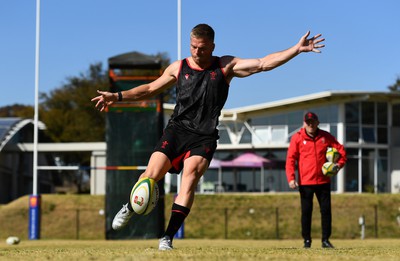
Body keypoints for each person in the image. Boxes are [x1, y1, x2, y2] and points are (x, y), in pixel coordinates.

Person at [92, 24, 325, 250]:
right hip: (176, 131)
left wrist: (296, 49)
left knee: (189, 179)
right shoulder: (178, 67)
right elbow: (150, 89)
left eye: (202, 48)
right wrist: (117, 96)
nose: (196, 52)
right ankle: (130, 208)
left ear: (212, 46)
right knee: (150, 175)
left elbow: (263, 63)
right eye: (193, 46)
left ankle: (167, 237)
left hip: (203, 137)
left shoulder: (225, 66)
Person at [285, 112, 347, 249]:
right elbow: (290, 159)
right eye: (308, 122)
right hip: (305, 183)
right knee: (306, 212)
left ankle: (325, 240)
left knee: (326, 211)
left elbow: (341, 151)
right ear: (304, 123)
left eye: (313, 122)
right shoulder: (297, 138)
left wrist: (339, 164)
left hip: (324, 181)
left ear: (318, 122)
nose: (310, 124)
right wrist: (291, 178)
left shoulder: (326, 137)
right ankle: (307, 240)